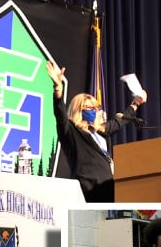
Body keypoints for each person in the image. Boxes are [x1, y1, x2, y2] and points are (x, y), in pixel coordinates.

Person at [46, 61, 146, 202]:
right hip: (91, 190)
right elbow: (60, 115)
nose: (93, 111)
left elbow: (119, 121)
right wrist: (58, 89)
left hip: (110, 187)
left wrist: (136, 103)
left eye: (95, 108)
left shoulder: (100, 132)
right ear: (78, 111)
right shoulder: (71, 132)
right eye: (88, 108)